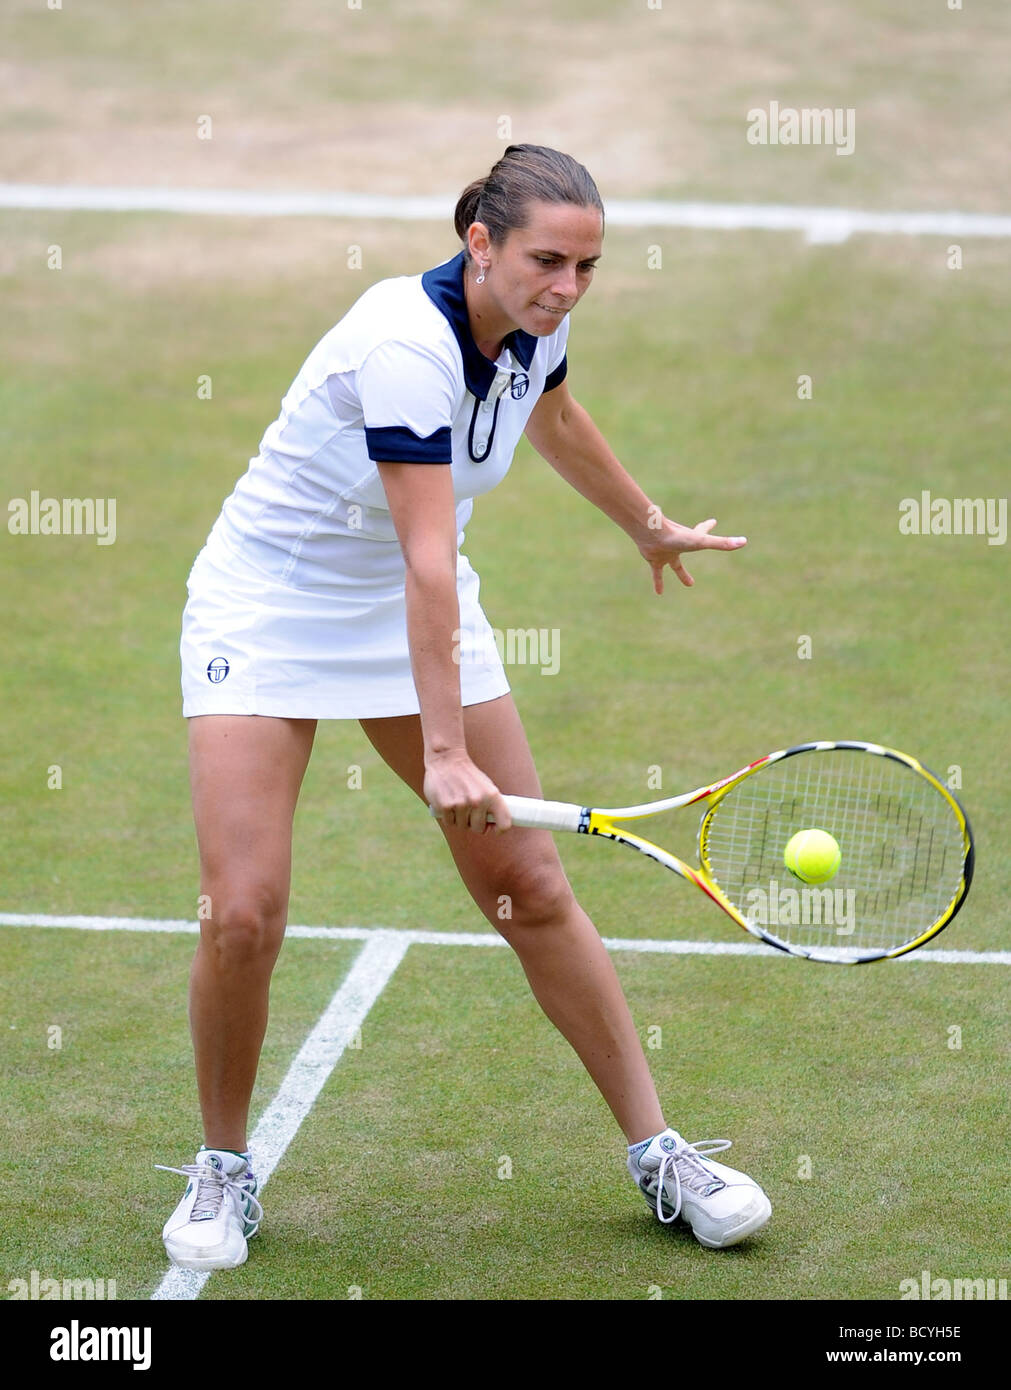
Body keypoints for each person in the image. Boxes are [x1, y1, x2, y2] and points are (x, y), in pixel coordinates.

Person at [160, 144, 771, 1270]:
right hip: (271, 608)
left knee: (528, 885)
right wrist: (443, 750)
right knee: (243, 908)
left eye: (589, 266)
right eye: (548, 260)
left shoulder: (537, 319)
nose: (569, 287)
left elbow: (556, 416)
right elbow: (427, 562)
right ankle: (222, 1166)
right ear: (477, 241)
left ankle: (661, 1152)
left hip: (413, 606)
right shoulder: (403, 346)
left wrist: (643, 520)